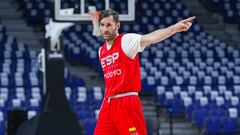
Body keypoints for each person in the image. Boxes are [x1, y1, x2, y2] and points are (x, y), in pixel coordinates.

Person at [94, 8, 196, 135]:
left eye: (109, 24)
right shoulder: (101, 51)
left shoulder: (126, 41)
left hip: (126, 101)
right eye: (102, 25)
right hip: (108, 103)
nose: (105, 28)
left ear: (117, 25)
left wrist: (174, 28)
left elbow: (151, 38)